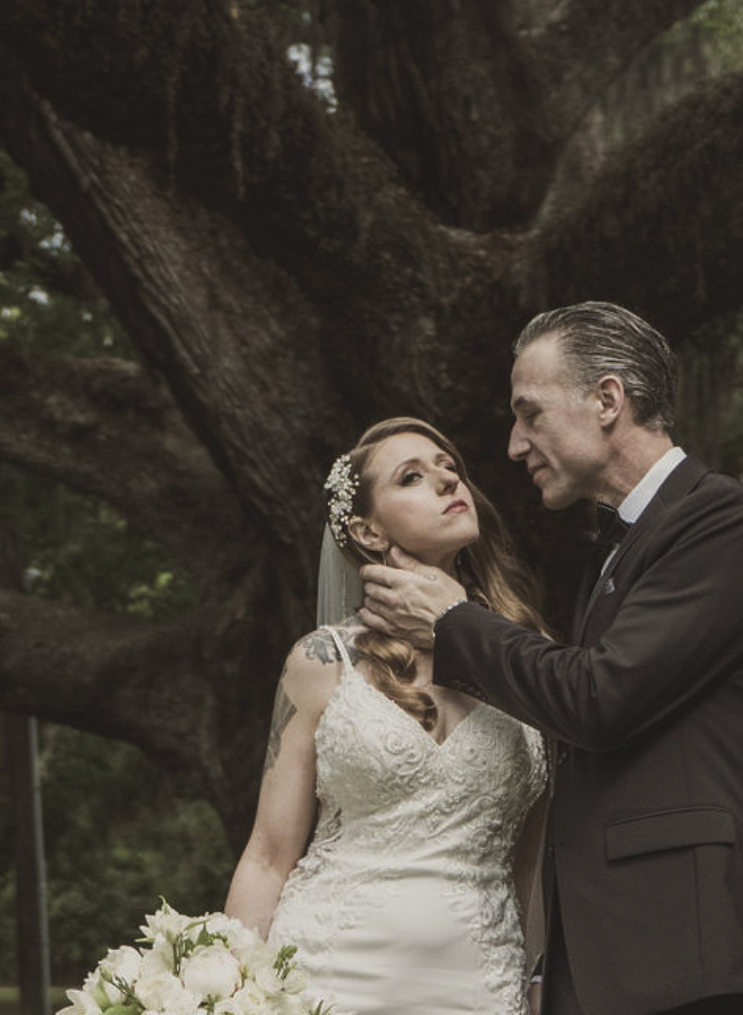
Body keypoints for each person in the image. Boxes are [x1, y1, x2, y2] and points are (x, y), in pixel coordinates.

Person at [359, 303, 743, 1015]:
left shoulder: (720, 519)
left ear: (607, 400)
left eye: (530, 414)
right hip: (616, 960)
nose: (514, 445)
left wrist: (454, 621)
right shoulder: (616, 549)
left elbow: (598, 700)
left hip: (693, 952)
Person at [224, 416, 552, 1015]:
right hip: (329, 977)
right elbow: (268, 856)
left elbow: (531, 864)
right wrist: (233, 991)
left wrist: (535, 982)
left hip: (481, 984)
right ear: (367, 532)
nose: (449, 482)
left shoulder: (527, 660)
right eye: (413, 477)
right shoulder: (322, 662)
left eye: (450, 469)